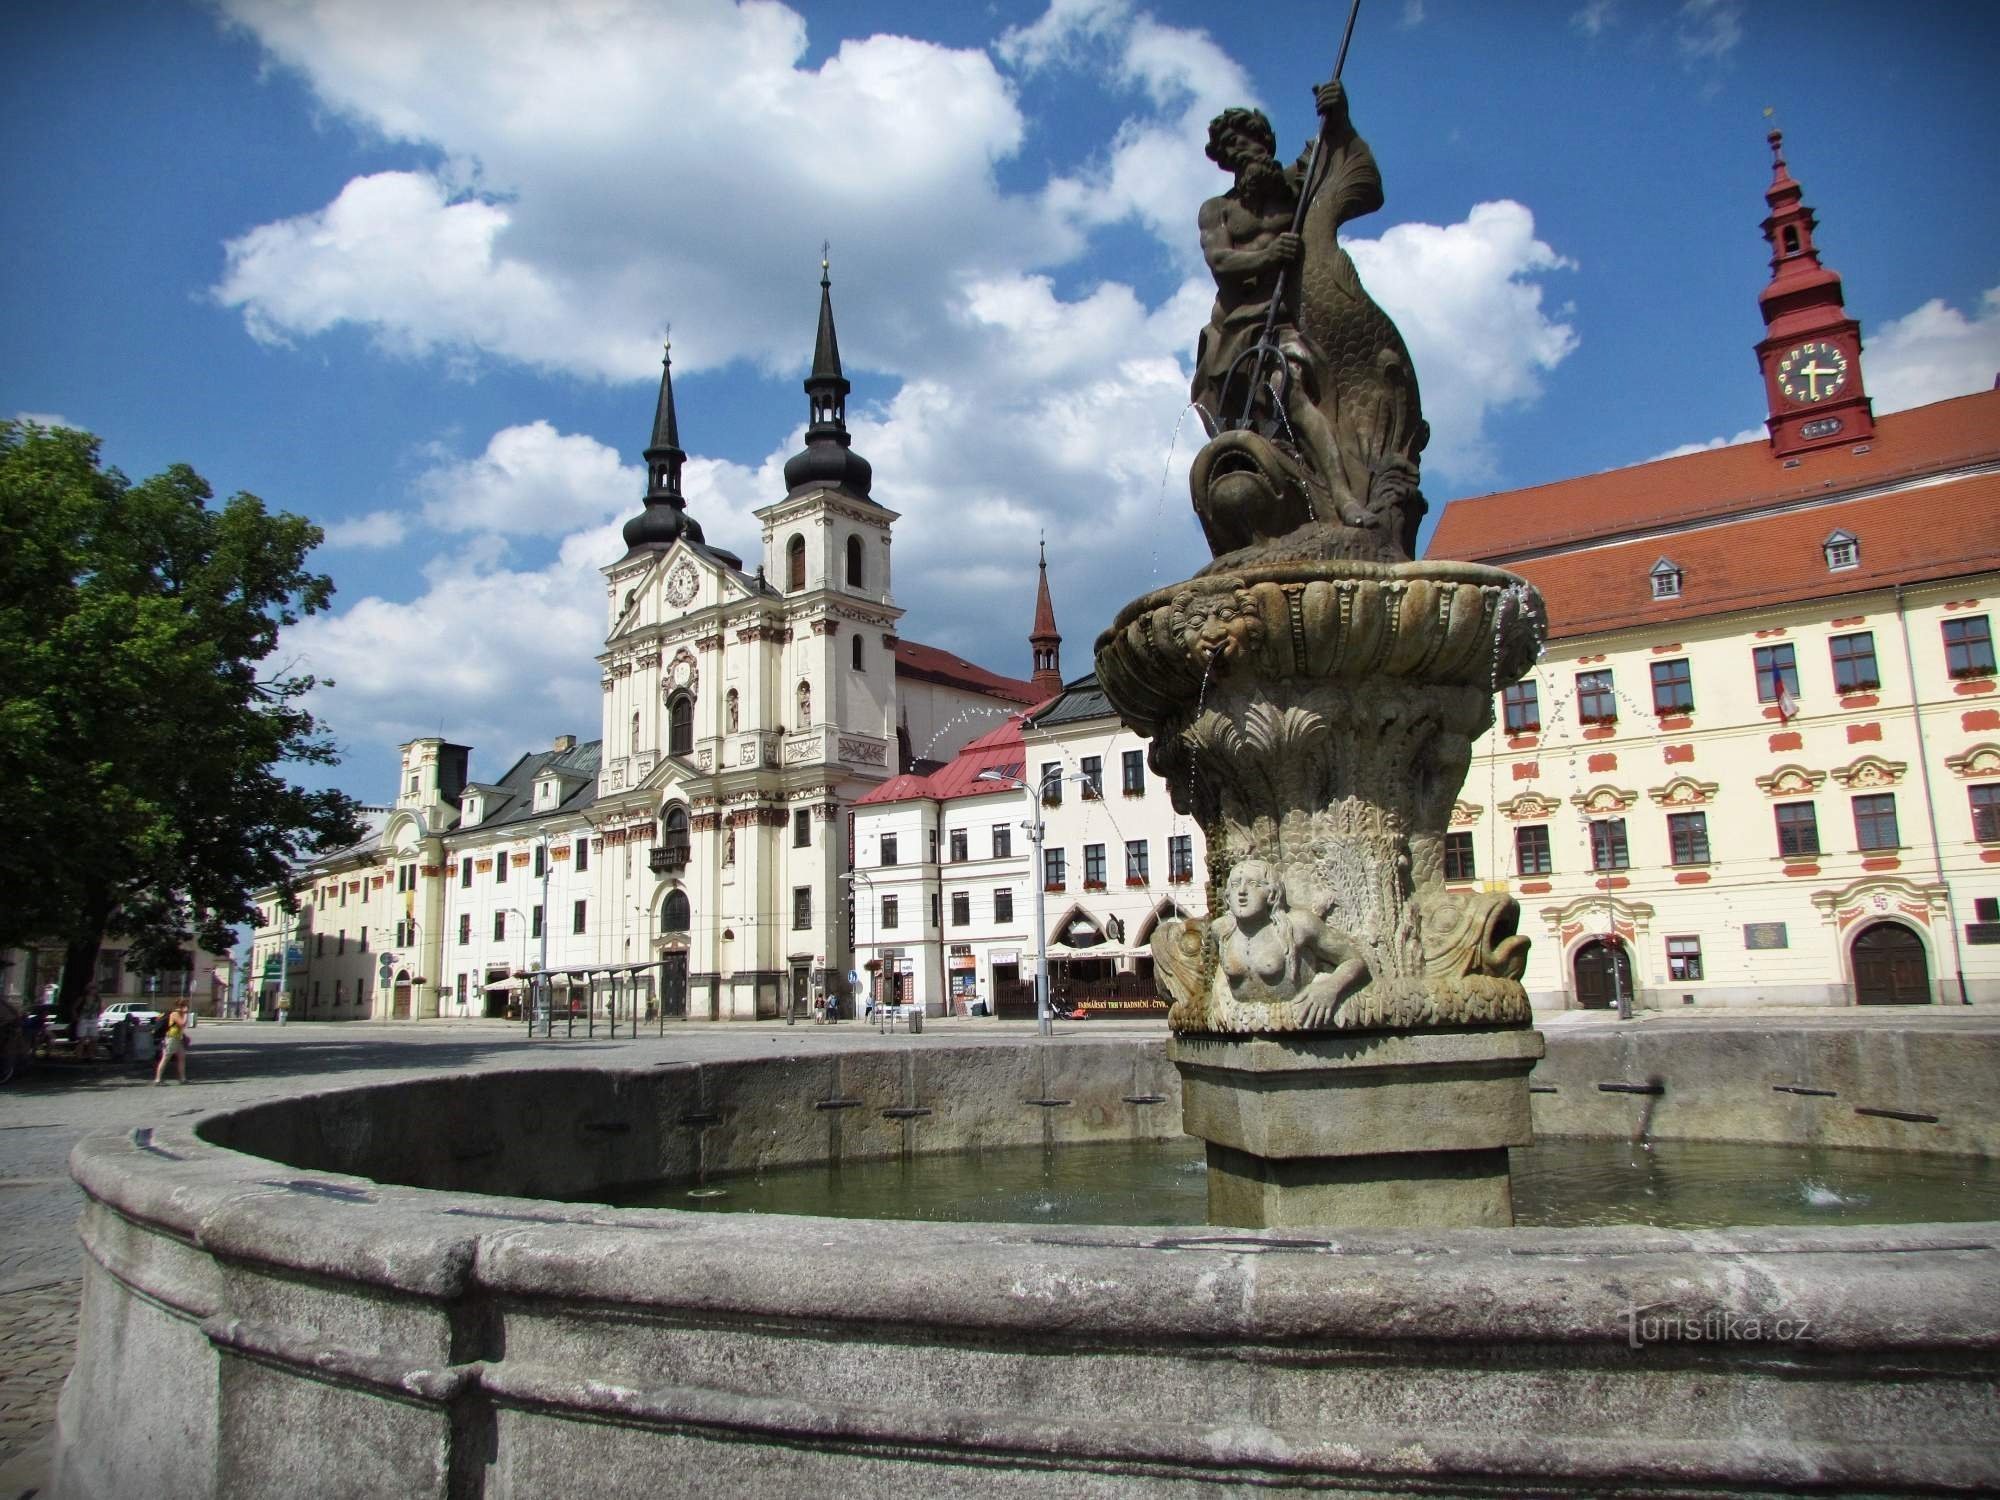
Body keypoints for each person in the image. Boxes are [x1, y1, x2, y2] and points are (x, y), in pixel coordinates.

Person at [153, 1003, 190, 1084]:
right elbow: (182, 1024)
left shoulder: (179, 1014)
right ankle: (158, 1079)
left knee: (182, 1057)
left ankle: (183, 1079)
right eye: (184, 1007)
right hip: (171, 1039)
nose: (186, 1008)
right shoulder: (175, 1014)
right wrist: (186, 1014)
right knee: (165, 1058)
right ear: (180, 1007)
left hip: (177, 1039)